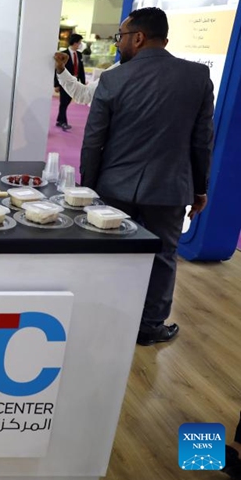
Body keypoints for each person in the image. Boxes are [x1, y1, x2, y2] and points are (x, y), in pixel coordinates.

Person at [80, 7, 213, 345]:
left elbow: (93, 141)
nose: (118, 44)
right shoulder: (197, 77)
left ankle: (101, 318)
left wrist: (88, 190)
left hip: (113, 188)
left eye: (120, 37)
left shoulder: (113, 79)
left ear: (138, 38)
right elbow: (201, 142)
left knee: (108, 257)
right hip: (169, 189)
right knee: (163, 258)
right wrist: (199, 189)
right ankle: (149, 327)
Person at [53, 51, 119, 106]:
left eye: (121, 37)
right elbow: (84, 94)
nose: (117, 44)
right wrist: (61, 69)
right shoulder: (117, 69)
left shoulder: (119, 71)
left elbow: (84, 94)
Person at [54, 34, 86, 131]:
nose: (80, 45)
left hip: (75, 82)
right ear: (75, 43)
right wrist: (56, 84)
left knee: (66, 102)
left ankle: (60, 119)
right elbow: (57, 70)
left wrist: (83, 82)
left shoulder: (79, 55)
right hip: (64, 82)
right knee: (64, 102)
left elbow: (81, 70)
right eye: (79, 43)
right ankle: (63, 122)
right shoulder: (63, 54)